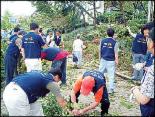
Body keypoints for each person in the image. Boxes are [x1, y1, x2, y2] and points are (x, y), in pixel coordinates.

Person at [3, 68, 67, 116]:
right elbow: (61, 102)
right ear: (56, 77)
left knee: (37, 109)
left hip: (10, 89)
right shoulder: (51, 82)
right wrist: (70, 110)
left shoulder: (40, 74)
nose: (57, 83)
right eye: (58, 81)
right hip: (17, 95)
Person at [130, 28, 154, 116]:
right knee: (137, 67)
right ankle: (136, 77)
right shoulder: (150, 56)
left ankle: (138, 79)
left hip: (150, 109)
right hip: (139, 54)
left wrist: (135, 90)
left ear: (152, 43)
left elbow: (144, 100)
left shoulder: (152, 70)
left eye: (148, 39)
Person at [99, 28, 119, 94]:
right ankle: (111, 89)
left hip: (103, 59)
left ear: (106, 33)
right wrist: (117, 61)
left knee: (100, 74)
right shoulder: (115, 42)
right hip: (111, 61)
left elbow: (100, 50)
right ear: (113, 34)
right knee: (111, 75)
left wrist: (100, 59)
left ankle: (99, 87)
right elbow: (116, 53)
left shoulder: (102, 41)